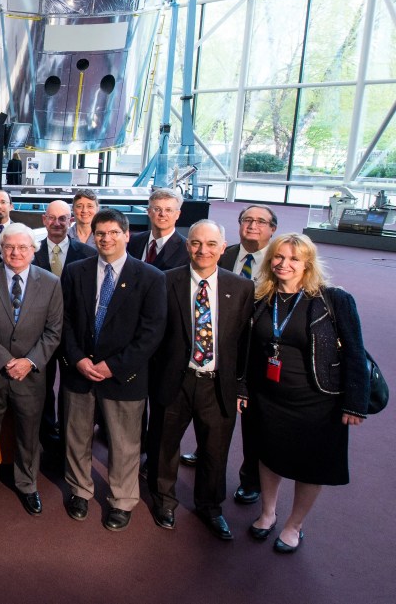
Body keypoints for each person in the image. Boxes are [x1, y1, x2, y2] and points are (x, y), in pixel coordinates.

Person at [244, 234, 368, 554]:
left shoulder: (332, 300)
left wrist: (355, 402)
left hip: (318, 401)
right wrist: (244, 386)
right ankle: (268, 513)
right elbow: (248, 350)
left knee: (310, 465)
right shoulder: (261, 298)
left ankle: (294, 525)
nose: (284, 264)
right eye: (279, 257)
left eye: (294, 259)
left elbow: (355, 352)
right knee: (269, 456)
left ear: (307, 264)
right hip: (269, 398)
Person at [60, 208, 166, 531]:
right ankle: (79, 490)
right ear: (93, 236)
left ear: (126, 235)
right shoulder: (75, 271)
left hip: (124, 376)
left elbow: (151, 333)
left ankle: (121, 500)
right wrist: (78, 358)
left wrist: (113, 367)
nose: (106, 239)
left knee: (124, 443)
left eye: (113, 233)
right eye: (100, 234)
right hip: (80, 371)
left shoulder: (150, 277)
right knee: (76, 437)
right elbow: (62, 321)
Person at [146, 220, 254, 540]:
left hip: (218, 383)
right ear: (187, 245)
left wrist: (242, 384)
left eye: (210, 244)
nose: (202, 250)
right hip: (175, 381)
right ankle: (164, 500)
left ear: (223, 248)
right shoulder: (164, 281)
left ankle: (210, 506)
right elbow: (154, 335)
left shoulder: (242, 288)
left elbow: (245, 343)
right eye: (195, 243)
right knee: (164, 445)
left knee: (215, 450)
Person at [181, 204, 279, 501]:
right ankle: (203, 451)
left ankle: (250, 479)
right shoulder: (224, 252)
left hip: (259, 352)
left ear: (272, 228)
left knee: (251, 421)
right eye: (247, 219)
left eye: (260, 221)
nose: (252, 225)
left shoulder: (279, 260)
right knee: (212, 418)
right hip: (215, 348)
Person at [0, 223, 63, 515]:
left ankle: (27, 485)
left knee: (28, 434)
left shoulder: (50, 283)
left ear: (34, 251)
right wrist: (5, 361)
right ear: (1, 250)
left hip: (30, 375)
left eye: (23, 247)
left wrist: (29, 362)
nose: (16, 252)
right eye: (9, 246)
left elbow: (54, 331)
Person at [32, 200, 97, 456]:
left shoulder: (88, 255)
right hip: (39, 333)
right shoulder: (31, 252)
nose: (57, 223)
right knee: (42, 387)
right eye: (52, 218)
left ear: (71, 221)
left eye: (63, 218)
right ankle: (47, 435)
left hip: (73, 335)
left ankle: (68, 443)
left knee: (71, 389)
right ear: (44, 220)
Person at [127, 188, 189, 271]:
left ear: (178, 214)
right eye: (157, 209)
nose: (162, 214)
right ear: (149, 212)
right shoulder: (134, 240)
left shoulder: (186, 249)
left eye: (168, 210)